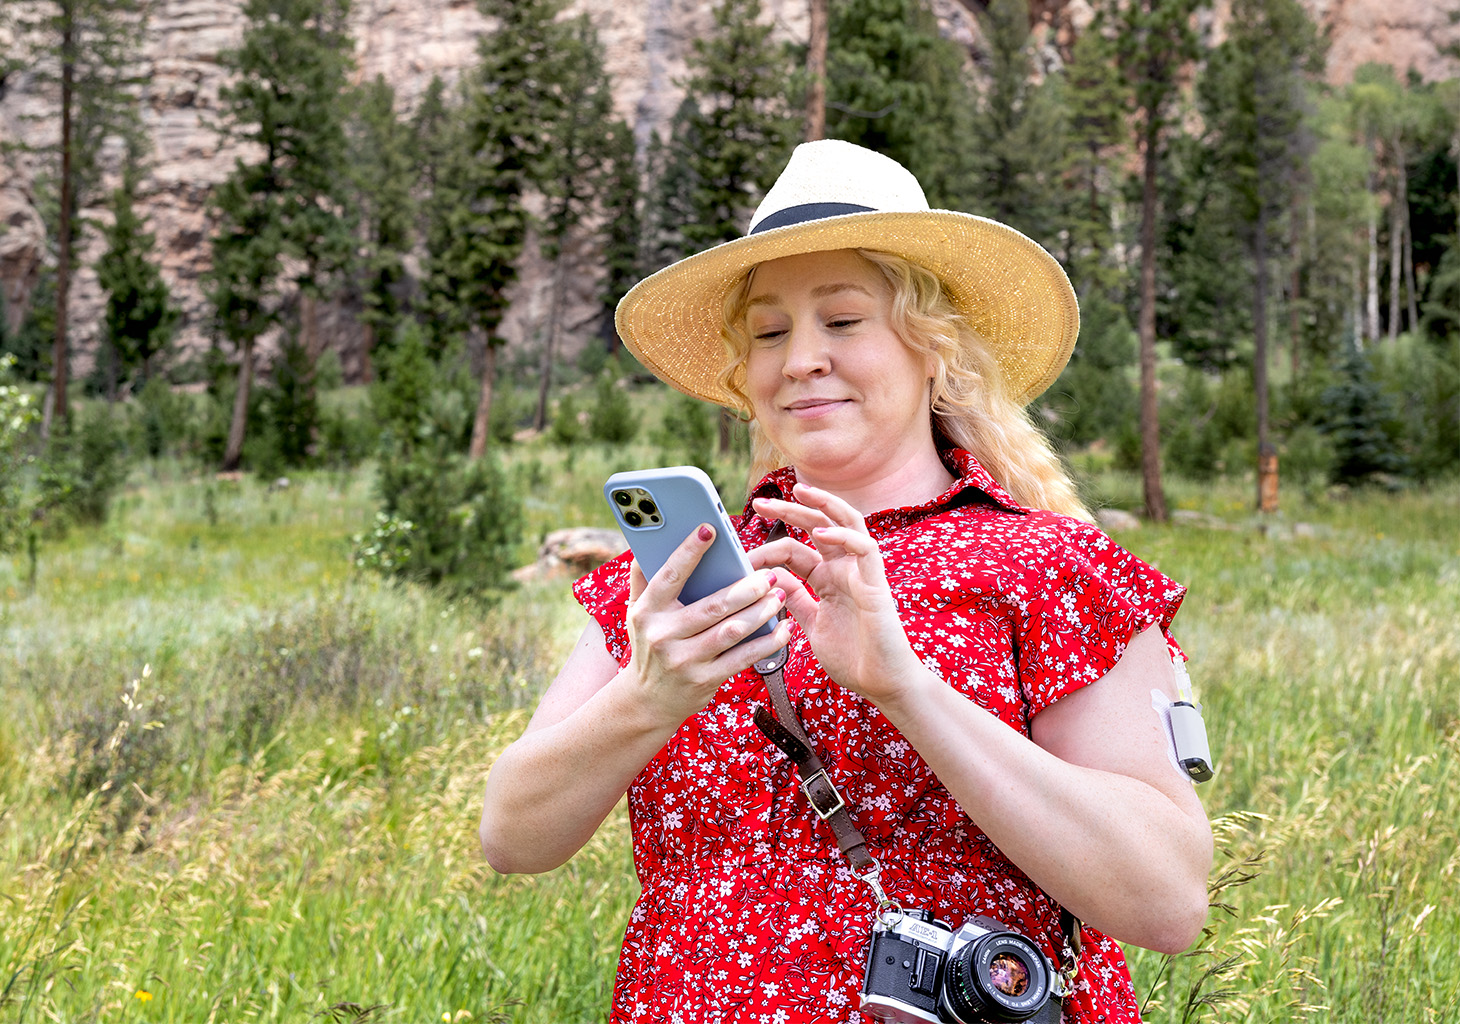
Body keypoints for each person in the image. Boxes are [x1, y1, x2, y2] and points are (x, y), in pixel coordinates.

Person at [479, 139, 1213, 1023]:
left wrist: (907, 690)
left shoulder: (1052, 569)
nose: (801, 360)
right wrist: (649, 695)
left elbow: (1167, 901)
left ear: (931, 348)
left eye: (844, 320)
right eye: (770, 332)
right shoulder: (679, 577)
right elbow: (513, 836)